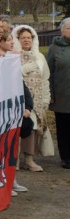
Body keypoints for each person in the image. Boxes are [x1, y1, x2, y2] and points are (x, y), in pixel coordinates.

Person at [13, 24, 50, 172]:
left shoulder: (39, 57)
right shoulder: (12, 56)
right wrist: (25, 69)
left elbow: (45, 78)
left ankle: (29, 159)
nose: (26, 40)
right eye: (23, 38)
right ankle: (14, 160)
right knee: (17, 128)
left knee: (33, 128)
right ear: (18, 39)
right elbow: (11, 75)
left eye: (29, 37)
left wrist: (46, 99)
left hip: (36, 97)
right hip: (19, 96)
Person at [46, 17, 70, 169]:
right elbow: (48, 72)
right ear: (62, 31)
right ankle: (66, 157)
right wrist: (51, 94)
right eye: (69, 28)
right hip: (62, 94)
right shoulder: (54, 47)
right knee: (64, 127)